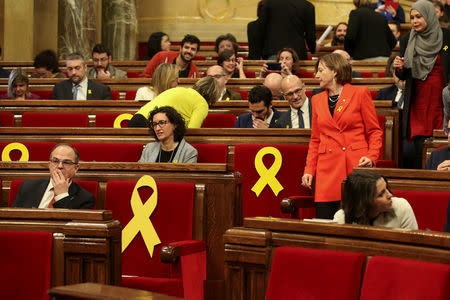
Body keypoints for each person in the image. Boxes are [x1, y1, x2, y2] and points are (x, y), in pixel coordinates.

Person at [301, 53, 383, 219]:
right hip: (326, 171)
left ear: (335, 71)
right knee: (327, 222)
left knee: (356, 221)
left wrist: (372, 156)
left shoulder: (360, 93)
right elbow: (315, 140)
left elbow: (374, 131)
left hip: (353, 165)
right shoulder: (316, 100)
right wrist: (309, 169)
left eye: (321, 70)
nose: (316, 75)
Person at [394, 0, 450, 169]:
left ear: (429, 16)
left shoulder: (446, 36)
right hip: (418, 98)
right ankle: (425, 175)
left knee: (441, 138)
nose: (414, 21)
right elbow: (404, 74)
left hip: (442, 98)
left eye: (419, 16)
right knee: (419, 143)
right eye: (412, 18)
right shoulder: (406, 40)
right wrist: (399, 68)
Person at [11, 143, 95, 209]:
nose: (60, 166)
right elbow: (12, 220)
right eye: (55, 161)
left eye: (66, 162)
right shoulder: (27, 187)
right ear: (49, 164)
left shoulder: (85, 199)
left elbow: (69, 228)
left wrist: (62, 195)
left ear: (76, 168)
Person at [333, 171, 418, 230]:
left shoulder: (402, 207)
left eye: (387, 188)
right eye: (381, 194)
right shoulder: (341, 218)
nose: (390, 195)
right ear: (364, 202)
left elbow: (414, 248)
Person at [129, 76, 220, 128]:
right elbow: (193, 131)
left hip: (137, 118)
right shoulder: (202, 103)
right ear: (214, 94)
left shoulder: (179, 89)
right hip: (152, 125)